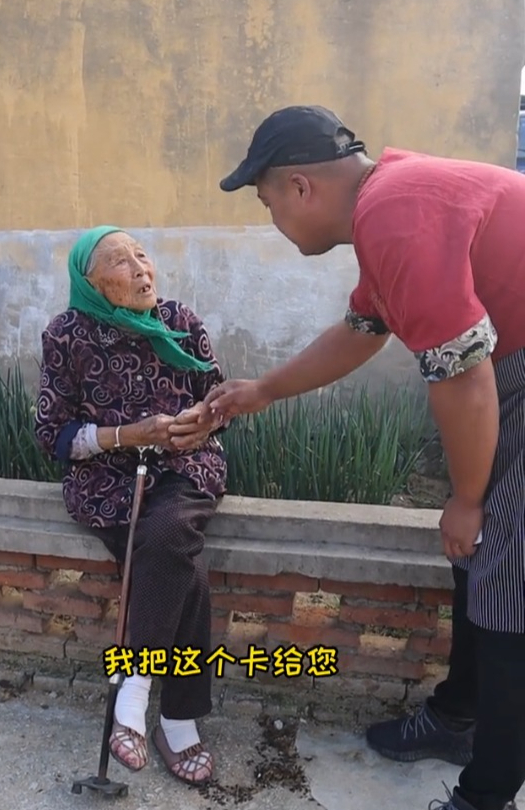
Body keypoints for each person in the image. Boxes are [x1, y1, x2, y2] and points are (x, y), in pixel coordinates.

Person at [189, 105, 525, 810]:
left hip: (506, 377)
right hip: (510, 372)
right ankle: (457, 717)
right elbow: (362, 330)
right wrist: (262, 391)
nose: (274, 221)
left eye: (268, 201)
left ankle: (486, 794)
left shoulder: (397, 214)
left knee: (508, 584)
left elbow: (464, 378)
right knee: (481, 558)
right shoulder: (392, 201)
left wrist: (466, 498)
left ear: (301, 186)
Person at [34, 225, 227, 786]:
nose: (141, 268)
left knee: (169, 536)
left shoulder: (181, 322)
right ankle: (178, 718)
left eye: (142, 255)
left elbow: (218, 399)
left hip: (186, 469)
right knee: (180, 565)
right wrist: (131, 433)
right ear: (92, 282)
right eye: (122, 261)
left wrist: (199, 425)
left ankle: (134, 695)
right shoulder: (67, 335)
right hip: (108, 480)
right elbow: (53, 434)